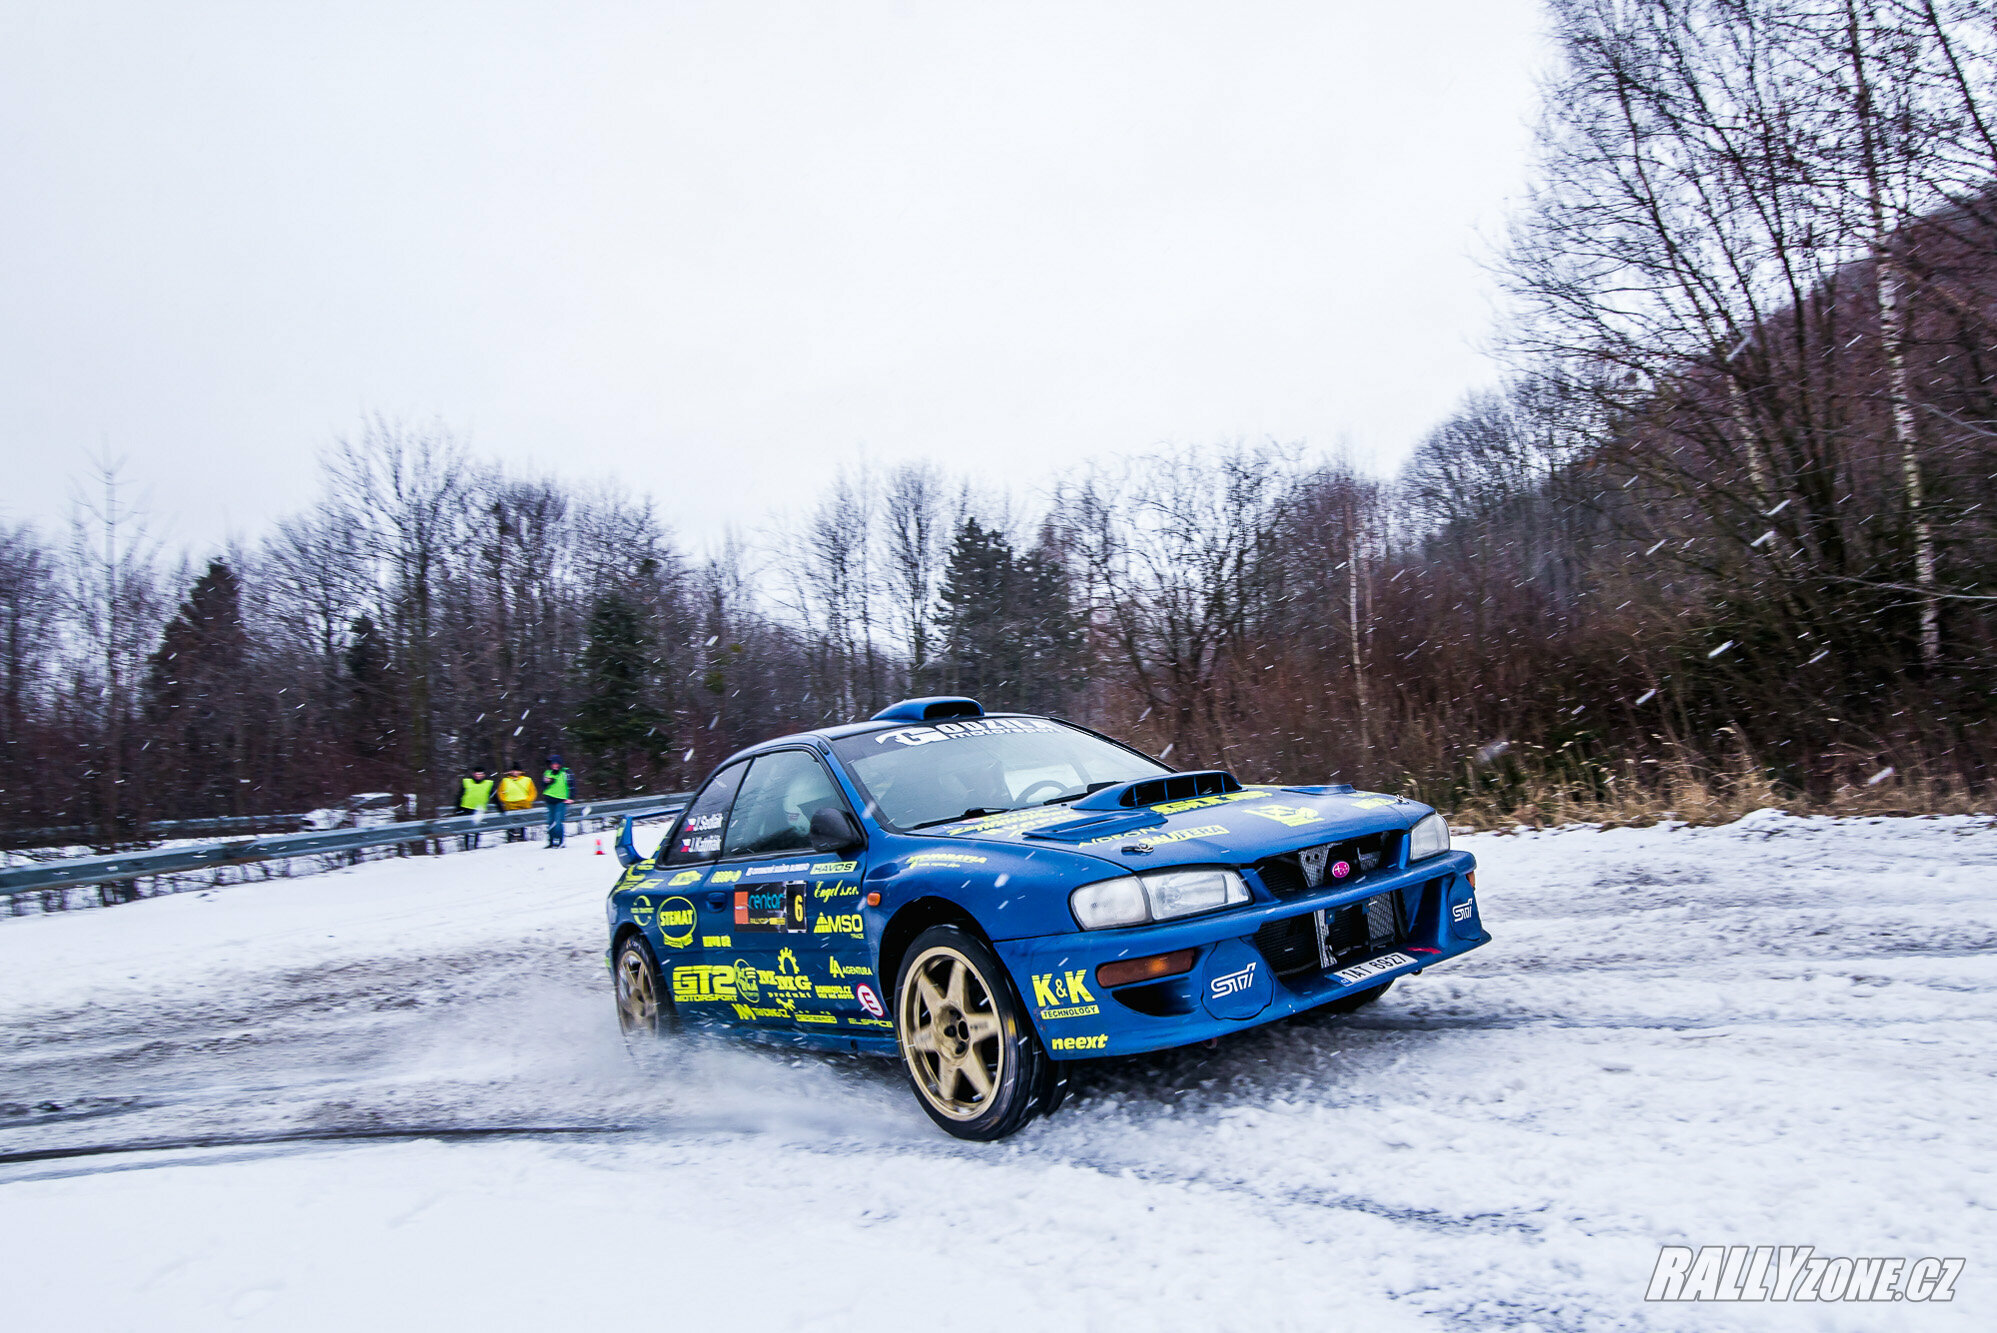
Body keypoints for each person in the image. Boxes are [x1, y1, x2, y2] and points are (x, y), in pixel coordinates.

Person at [496, 764, 538, 841]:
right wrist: (504, 800)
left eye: (517, 771)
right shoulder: (505, 781)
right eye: (513, 770)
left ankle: (522, 836)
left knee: (522, 821)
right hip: (510, 804)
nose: (515, 772)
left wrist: (528, 800)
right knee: (510, 822)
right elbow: (500, 792)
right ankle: (510, 837)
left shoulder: (527, 780)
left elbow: (532, 792)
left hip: (523, 804)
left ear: (520, 771)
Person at [458, 768, 495, 850]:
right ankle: (466, 846)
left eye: (480, 774)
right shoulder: (467, 782)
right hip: (466, 808)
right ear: (473, 774)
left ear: (484, 775)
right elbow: (459, 795)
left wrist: (500, 808)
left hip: (479, 809)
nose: (478, 776)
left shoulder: (488, 783)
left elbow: (494, 797)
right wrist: (458, 808)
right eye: (477, 774)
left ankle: (475, 846)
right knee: (467, 829)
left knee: (477, 828)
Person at [541, 755, 570, 848]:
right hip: (550, 800)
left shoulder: (565, 773)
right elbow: (543, 786)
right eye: (553, 764)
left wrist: (571, 797)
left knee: (558, 822)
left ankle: (560, 841)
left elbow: (571, 785)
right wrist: (547, 782)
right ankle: (551, 841)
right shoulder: (547, 772)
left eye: (557, 764)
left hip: (561, 800)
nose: (555, 766)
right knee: (550, 821)